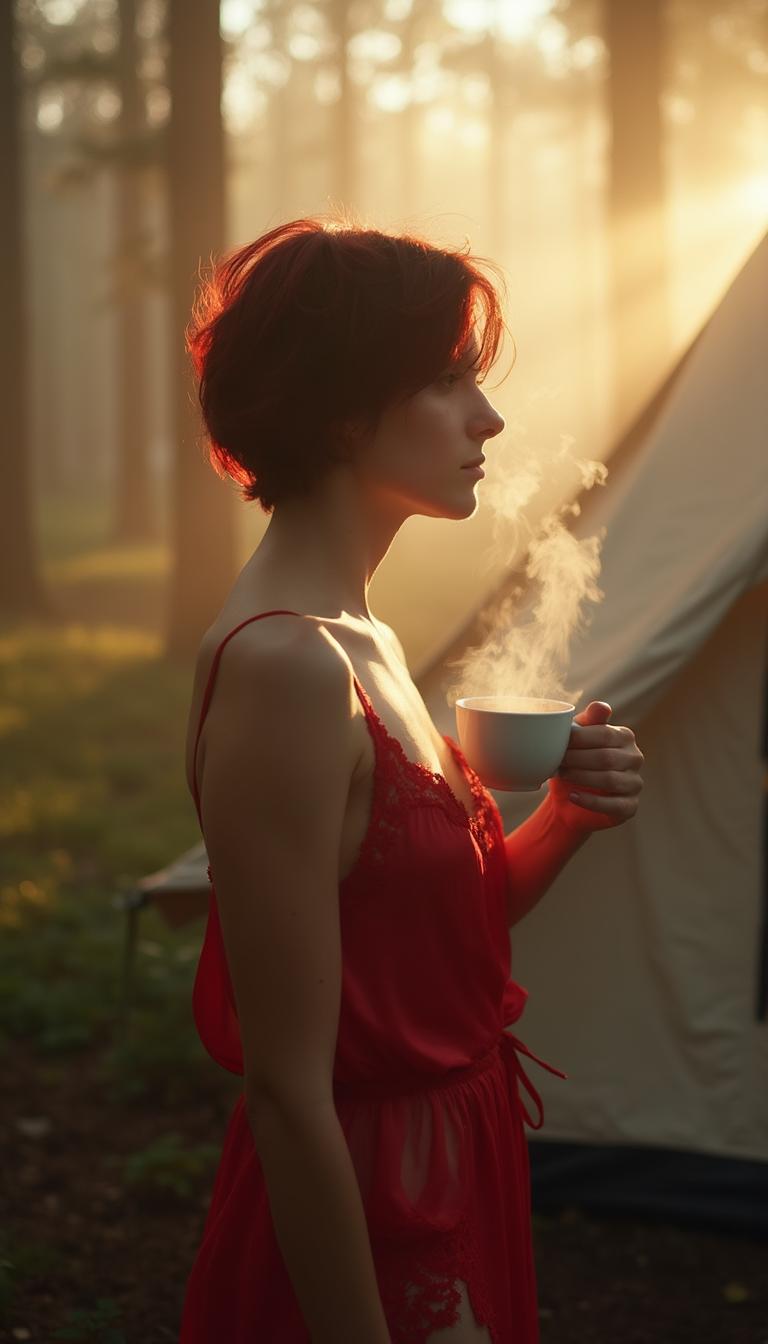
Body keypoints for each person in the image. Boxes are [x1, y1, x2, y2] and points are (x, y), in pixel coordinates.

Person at [177, 214, 645, 1344]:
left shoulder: (362, 638)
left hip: (456, 1164)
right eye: (447, 381)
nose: (487, 419)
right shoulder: (287, 667)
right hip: (373, 1213)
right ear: (342, 407)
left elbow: (426, 946)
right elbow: (290, 1091)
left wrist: (566, 820)